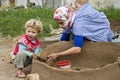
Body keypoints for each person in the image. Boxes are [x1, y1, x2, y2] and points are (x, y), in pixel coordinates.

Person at [47, 0, 114, 65]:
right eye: (58, 24)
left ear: (67, 18)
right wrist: (55, 49)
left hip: (100, 32)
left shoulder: (78, 24)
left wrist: (58, 54)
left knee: (95, 48)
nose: (60, 26)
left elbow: (77, 49)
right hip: (87, 27)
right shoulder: (70, 19)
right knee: (72, 37)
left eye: (61, 23)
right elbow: (63, 40)